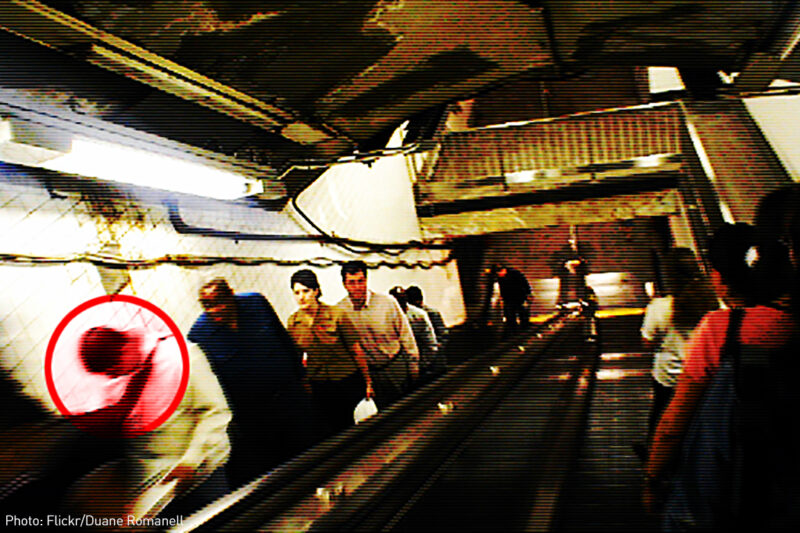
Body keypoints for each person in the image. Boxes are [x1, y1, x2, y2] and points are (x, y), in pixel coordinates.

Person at [643, 223, 797, 530]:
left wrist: (652, 478)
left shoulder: (723, 328)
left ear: (721, 278)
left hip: (741, 477)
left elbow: (674, 422)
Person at [188, 278, 313, 487]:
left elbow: (283, 339)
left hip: (291, 399)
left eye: (220, 302)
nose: (214, 310)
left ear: (232, 295)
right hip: (255, 418)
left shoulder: (256, 303)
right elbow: (212, 385)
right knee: (278, 468)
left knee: (309, 451)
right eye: (207, 305)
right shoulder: (199, 335)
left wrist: (302, 377)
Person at [640, 248, 718, 444]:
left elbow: (647, 343)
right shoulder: (715, 303)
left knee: (662, 416)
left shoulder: (660, 307)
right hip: (703, 375)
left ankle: (654, 454)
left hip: (669, 376)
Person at [287, 269, 373, 438]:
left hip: (346, 380)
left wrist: (368, 382)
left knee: (355, 427)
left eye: (306, 291)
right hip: (320, 385)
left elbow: (356, 350)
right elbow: (296, 359)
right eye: (296, 292)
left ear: (316, 291)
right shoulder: (294, 322)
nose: (301, 297)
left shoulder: (336, 315)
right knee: (331, 430)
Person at [335, 262, 419, 409]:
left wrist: (413, 367)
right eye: (352, 283)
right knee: (384, 415)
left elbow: (406, 335)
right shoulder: (340, 311)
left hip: (396, 366)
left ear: (366, 280)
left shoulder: (387, 302)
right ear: (344, 285)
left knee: (410, 409)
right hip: (371, 375)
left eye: (360, 281)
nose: (357, 287)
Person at [389, 286, 440, 384]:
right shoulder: (389, 317)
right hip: (402, 370)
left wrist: (422, 365)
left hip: (423, 365)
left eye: (402, 298)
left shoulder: (418, 315)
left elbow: (430, 343)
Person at [493, 265, 531, 335]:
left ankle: (525, 328)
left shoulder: (515, 274)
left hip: (519, 296)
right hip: (508, 298)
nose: (499, 275)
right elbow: (502, 288)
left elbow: (524, 283)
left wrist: (528, 294)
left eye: (500, 273)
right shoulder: (500, 278)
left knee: (522, 312)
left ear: (503, 270)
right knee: (510, 314)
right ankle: (513, 330)